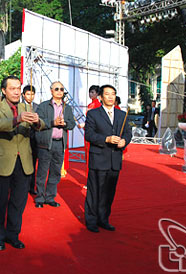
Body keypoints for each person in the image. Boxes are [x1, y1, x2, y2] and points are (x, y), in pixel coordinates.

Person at [0, 76, 45, 251]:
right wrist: (18, 119)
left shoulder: (26, 106)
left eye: (18, 88)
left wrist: (36, 121)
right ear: (4, 90)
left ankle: (13, 235)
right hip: (3, 161)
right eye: (12, 88)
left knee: (18, 202)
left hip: (24, 161)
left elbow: (41, 124)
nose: (16, 91)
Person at [84, 84, 132, 233]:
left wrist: (124, 141)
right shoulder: (93, 114)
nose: (110, 97)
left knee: (109, 192)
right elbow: (89, 135)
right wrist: (106, 139)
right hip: (98, 159)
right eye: (107, 94)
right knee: (95, 191)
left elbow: (128, 133)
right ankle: (91, 220)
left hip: (114, 159)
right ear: (101, 97)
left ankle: (103, 219)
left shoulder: (122, 115)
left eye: (113, 94)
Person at [34, 81, 75, 208]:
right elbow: (38, 123)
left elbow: (72, 124)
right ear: (51, 91)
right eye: (56, 89)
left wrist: (65, 124)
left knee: (56, 172)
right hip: (45, 144)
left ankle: (50, 197)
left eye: (62, 89)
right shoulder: (43, 106)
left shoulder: (67, 107)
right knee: (42, 172)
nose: (59, 91)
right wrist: (53, 122)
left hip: (59, 144)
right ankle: (40, 198)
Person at [22, 85, 39, 195]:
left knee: (33, 164)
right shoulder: (19, 107)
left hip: (35, 139)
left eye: (32, 94)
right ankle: (21, 187)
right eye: (28, 94)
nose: (30, 96)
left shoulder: (38, 107)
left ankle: (31, 186)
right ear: (23, 95)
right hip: (22, 138)